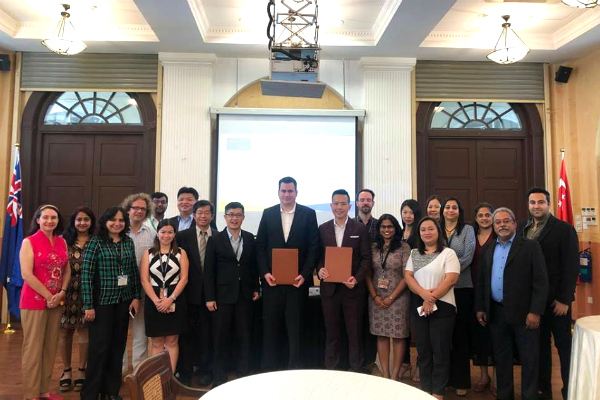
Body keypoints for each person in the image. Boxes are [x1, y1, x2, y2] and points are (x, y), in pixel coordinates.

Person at [476, 207, 549, 400]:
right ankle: (505, 395)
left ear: (515, 224)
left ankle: (529, 396)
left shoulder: (530, 247)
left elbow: (541, 282)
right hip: (497, 313)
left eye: (506, 221)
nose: (502, 225)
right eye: (498, 222)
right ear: (493, 226)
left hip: (525, 314)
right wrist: (481, 307)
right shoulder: (489, 248)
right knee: (501, 360)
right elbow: (482, 280)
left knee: (529, 360)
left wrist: (535, 312)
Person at [521, 187, 579, 400]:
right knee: (540, 347)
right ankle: (543, 390)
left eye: (540, 202)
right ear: (528, 205)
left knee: (564, 347)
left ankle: (569, 390)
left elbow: (571, 266)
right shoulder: (523, 228)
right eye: (532, 202)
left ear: (548, 204)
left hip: (557, 302)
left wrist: (564, 299)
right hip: (534, 302)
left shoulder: (564, 229)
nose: (536, 206)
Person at [256, 176, 320, 370]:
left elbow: (313, 247)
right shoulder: (268, 214)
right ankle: (270, 370)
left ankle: (295, 371)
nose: (286, 194)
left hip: (297, 284)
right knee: (271, 330)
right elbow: (260, 246)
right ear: (278, 192)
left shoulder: (308, 214)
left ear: (296, 193)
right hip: (272, 284)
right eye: (283, 191)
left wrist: (305, 274)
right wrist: (265, 273)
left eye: (290, 191)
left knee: (296, 330)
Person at [80, 207, 141, 400]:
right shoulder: (95, 243)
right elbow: (86, 276)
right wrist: (88, 305)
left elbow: (132, 271)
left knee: (117, 347)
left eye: (121, 220)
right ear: (105, 221)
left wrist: (136, 296)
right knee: (99, 349)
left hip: (123, 302)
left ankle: (111, 392)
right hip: (101, 304)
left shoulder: (128, 242)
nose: (118, 223)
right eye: (113, 219)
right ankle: (91, 394)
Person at [204, 202, 260, 387]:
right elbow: (209, 271)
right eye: (231, 215)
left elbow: (253, 266)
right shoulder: (215, 240)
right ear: (225, 217)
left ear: (243, 217)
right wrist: (210, 297)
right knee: (220, 338)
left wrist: (255, 288)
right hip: (222, 297)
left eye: (238, 215)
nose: (234, 218)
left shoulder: (250, 238)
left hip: (244, 295)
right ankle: (219, 376)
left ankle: (243, 374)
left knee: (245, 336)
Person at [405, 217, 460, 400]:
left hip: (443, 308)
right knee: (423, 351)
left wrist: (432, 297)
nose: (427, 232)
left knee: (440, 351)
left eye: (431, 229)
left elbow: (451, 279)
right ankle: (425, 390)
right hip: (420, 305)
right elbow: (409, 277)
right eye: (423, 230)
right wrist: (424, 295)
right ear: (419, 234)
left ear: (438, 231)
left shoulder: (448, 253)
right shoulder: (414, 253)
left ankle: (438, 392)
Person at [317, 189, 372, 372]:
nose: (339, 207)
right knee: (331, 334)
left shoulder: (360, 229)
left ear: (349, 206)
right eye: (336, 203)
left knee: (354, 334)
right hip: (330, 290)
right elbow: (318, 257)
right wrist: (320, 269)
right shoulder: (323, 228)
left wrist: (356, 279)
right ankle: (331, 371)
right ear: (331, 206)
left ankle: (356, 371)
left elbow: (366, 259)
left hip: (352, 290)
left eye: (343, 204)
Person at [20, 205, 70, 400]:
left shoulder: (62, 242)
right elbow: (26, 274)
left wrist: (62, 292)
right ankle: (30, 394)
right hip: (34, 302)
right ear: (38, 220)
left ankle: (43, 391)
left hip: (57, 301)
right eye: (46, 217)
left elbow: (67, 270)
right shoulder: (29, 242)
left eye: (54, 218)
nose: (50, 221)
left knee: (50, 347)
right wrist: (49, 296)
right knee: (33, 349)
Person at [175, 199, 219, 386]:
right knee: (186, 334)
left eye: (207, 212)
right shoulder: (182, 236)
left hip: (211, 295)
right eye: (199, 212)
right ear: (194, 215)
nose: (203, 216)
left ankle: (206, 370)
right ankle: (184, 373)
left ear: (212, 215)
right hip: (187, 294)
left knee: (208, 335)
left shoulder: (218, 236)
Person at [365, 214, 410, 380]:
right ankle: (385, 374)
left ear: (395, 228)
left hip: (398, 298)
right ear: (379, 229)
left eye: (390, 226)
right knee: (381, 335)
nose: (386, 230)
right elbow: (368, 273)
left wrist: (391, 298)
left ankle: (395, 375)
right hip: (376, 297)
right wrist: (374, 296)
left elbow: (407, 276)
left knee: (398, 336)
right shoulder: (373, 247)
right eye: (383, 227)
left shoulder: (404, 247)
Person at [140, 219, 189, 372]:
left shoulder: (181, 253)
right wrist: (157, 301)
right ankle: (158, 378)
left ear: (174, 234)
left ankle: (171, 376)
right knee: (156, 342)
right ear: (158, 233)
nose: (166, 235)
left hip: (175, 299)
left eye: (170, 232)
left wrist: (170, 299)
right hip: (153, 299)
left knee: (172, 341)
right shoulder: (148, 253)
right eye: (163, 232)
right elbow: (144, 279)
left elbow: (184, 279)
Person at [441, 197, 476, 397]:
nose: (451, 210)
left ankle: (461, 380)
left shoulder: (467, 230)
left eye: (455, 207)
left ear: (459, 211)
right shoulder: (436, 228)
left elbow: (468, 257)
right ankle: (444, 379)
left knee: (460, 336)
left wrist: (448, 273)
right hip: (440, 289)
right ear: (443, 210)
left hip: (462, 288)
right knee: (443, 336)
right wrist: (442, 276)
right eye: (448, 207)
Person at [59, 207, 96, 393]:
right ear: (73, 221)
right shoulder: (64, 241)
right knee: (65, 332)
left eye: (86, 220)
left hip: (88, 293)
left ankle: (81, 370)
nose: (82, 223)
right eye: (79, 219)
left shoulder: (96, 241)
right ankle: (66, 371)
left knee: (84, 331)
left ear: (91, 222)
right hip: (66, 292)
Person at [121, 193, 156, 374]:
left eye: (143, 209)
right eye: (135, 208)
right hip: (120, 289)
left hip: (143, 288)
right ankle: (119, 371)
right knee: (120, 331)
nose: (139, 211)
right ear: (128, 209)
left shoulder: (151, 233)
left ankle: (138, 370)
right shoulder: (119, 230)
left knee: (141, 331)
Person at [470, 202, 496, 394]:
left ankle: (497, 377)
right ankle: (483, 374)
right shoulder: (471, 236)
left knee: (496, 335)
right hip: (473, 290)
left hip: (494, 292)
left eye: (488, 215)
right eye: (481, 215)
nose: (485, 218)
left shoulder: (499, 236)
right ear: (476, 218)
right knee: (479, 335)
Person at [354, 188, 378, 372]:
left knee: (372, 322)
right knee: (357, 322)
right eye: (362, 200)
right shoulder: (349, 224)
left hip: (377, 281)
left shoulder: (380, 225)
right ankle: (357, 360)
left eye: (368, 200)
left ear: (373, 203)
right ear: (356, 203)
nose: (365, 203)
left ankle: (370, 360)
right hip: (352, 280)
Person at [399, 199, 422, 381]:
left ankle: (420, 364)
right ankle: (405, 363)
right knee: (403, 325)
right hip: (399, 285)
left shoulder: (420, 233)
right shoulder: (398, 232)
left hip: (416, 284)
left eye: (411, 212)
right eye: (404, 212)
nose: (407, 215)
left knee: (418, 326)